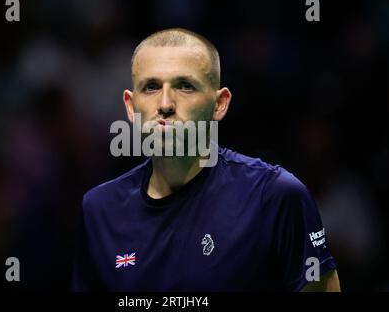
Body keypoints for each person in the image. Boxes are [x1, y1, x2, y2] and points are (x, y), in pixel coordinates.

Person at [71, 28, 340, 292]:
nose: (165, 103)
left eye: (185, 86)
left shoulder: (276, 196)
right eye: (151, 87)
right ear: (131, 106)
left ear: (219, 104)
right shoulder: (99, 209)